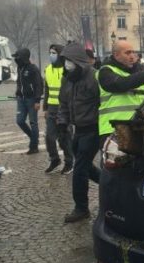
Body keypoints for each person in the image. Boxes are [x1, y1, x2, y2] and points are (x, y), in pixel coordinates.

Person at [57, 44, 101, 223]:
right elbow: (64, 103)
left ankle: (81, 208)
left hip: (93, 129)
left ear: (77, 61)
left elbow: (102, 103)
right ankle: (107, 183)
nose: (66, 64)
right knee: (84, 164)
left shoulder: (93, 77)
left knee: (80, 169)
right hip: (78, 130)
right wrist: (62, 123)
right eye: (65, 61)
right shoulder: (67, 79)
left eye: (69, 61)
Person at [42, 44, 73, 174]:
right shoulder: (48, 69)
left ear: (60, 54)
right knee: (49, 137)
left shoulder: (67, 69)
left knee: (64, 137)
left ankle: (69, 162)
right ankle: (54, 159)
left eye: (54, 52)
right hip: (51, 108)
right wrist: (45, 108)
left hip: (64, 108)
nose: (51, 55)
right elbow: (47, 89)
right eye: (50, 52)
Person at [13, 48, 43, 154]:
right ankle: (34, 138)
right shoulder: (19, 68)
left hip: (31, 100)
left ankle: (34, 147)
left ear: (24, 58)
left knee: (33, 123)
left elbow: (39, 84)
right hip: (21, 99)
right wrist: (17, 92)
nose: (16, 59)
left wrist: (37, 100)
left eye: (18, 57)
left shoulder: (33, 69)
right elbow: (19, 82)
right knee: (20, 121)